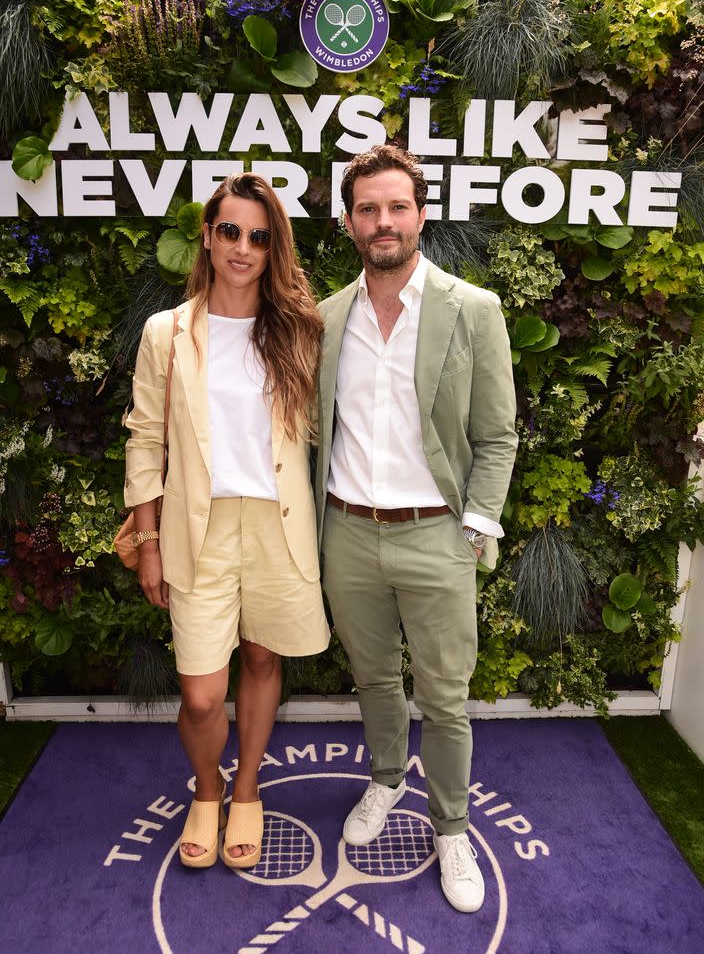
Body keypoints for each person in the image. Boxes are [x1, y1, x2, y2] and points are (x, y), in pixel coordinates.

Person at [314, 145, 517, 913]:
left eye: (397, 206)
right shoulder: (327, 317)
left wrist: (474, 524)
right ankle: (388, 781)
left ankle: (453, 827)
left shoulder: (475, 309)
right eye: (368, 208)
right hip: (347, 534)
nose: (383, 221)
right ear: (348, 222)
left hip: (437, 535)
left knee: (446, 696)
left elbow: (497, 435)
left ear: (422, 215)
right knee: (373, 679)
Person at [124, 172, 329, 870]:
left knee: (264, 657)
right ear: (207, 237)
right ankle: (204, 789)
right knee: (203, 692)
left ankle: (246, 790)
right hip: (196, 528)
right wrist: (147, 540)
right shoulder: (167, 333)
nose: (243, 247)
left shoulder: (299, 327)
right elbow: (146, 436)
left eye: (260, 236)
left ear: (275, 249)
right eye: (231, 231)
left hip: (278, 523)